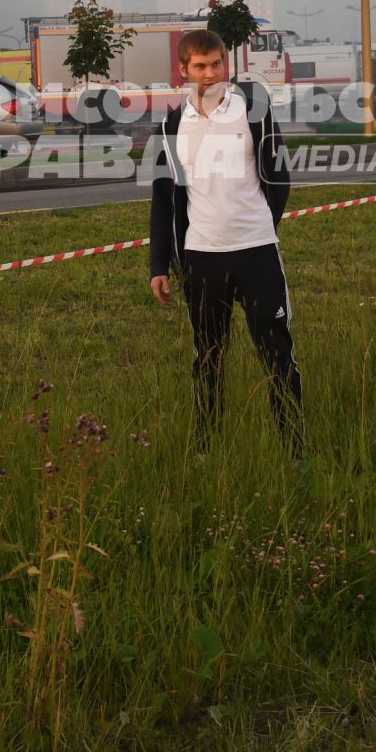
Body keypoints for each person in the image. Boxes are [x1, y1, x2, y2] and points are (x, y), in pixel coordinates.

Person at [147, 29, 302, 452]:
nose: (211, 72)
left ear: (226, 63)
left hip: (257, 254)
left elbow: (279, 177)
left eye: (217, 63)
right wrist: (159, 266)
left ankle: (295, 450)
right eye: (200, 66)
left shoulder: (253, 110)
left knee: (278, 357)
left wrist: (259, 226)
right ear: (183, 70)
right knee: (208, 359)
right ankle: (207, 447)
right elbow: (164, 200)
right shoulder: (172, 125)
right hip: (202, 259)